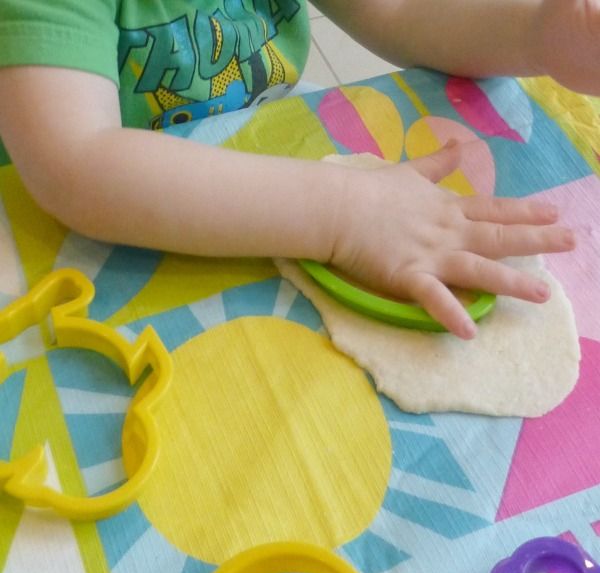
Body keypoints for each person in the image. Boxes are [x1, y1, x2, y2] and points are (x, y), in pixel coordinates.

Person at [0, 0, 587, 339]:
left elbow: (402, 10)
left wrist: (539, 32)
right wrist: (347, 213)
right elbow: (74, 163)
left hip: (276, 152)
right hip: (87, 238)